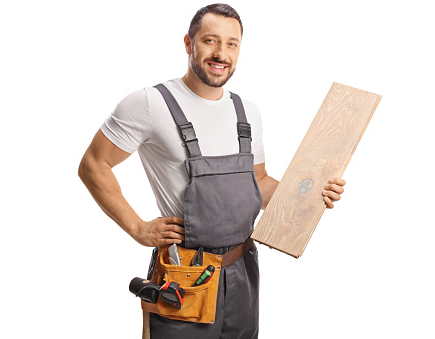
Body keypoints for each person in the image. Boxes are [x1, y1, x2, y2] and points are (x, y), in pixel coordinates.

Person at [78, 3, 346, 338]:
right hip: (184, 273)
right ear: (189, 43)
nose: (221, 53)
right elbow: (94, 164)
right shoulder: (149, 103)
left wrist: (313, 193)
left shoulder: (246, 112)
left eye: (232, 44)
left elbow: (259, 184)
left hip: (241, 268)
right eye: (210, 41)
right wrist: (136, 227)